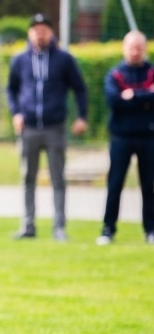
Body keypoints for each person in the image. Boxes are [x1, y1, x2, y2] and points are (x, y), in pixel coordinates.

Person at [7, 13, 88, 241]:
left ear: (51, 32)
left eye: (44, 29)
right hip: (29, 128)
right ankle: (28, 225)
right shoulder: (19, 60)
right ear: (30, 33)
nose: (40, 34)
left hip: (55, 127)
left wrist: (82, 116)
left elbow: (80, 88)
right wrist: (16, 113)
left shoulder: (64, 59)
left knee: (58, 178)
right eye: (36, 29)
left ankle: (59, 227)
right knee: (27, 178)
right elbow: (11, 89)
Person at [97, 30, 154, 245]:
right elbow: (115, 101)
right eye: (131, 47)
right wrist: (146, 97)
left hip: (148, 136)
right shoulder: (115, 74)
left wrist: (133, 96)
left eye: (139, 47)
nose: (135, 52)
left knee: (148, 185)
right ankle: (108, 229)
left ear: (144, 49)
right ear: (124, 48)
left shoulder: (150, 72)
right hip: (121, 137)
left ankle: (150, 229)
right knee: (115, 184)